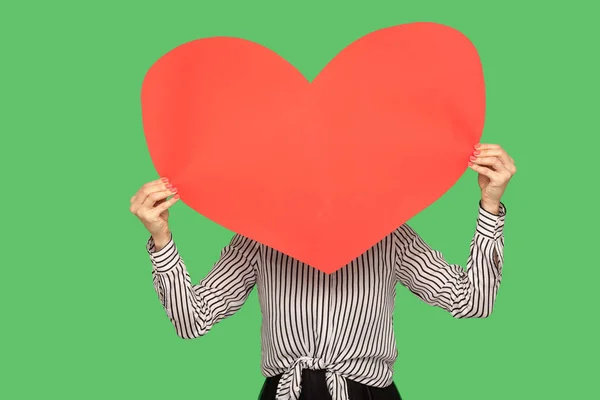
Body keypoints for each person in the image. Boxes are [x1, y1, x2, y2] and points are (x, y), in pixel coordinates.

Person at [130, 143, 516, 400]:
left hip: (367, 392)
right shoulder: (257, 237)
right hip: (285, 392)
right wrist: (162, 239)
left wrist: (489, 206)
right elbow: (192, 320)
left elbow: (473, 301)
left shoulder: (389, 234)